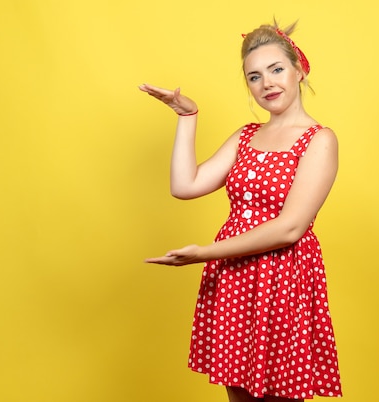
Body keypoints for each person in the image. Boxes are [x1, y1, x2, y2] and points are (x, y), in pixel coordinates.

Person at [139, 20, 342, 402]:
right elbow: (185, 186)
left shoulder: (320, 140)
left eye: (277, 70)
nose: (267, 83)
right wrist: (187, 117)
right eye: (254, 76)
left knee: (282, 393)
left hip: (283, 280)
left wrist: (203, 253)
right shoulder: (245, 136)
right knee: (240, 396)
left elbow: (290, 228)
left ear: (299, 70)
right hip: (236, 279)